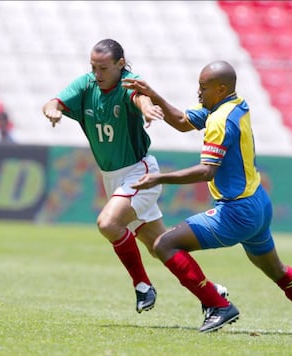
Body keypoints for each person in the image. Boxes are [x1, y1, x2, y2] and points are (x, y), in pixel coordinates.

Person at [122, 60, 292, 334]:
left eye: (204, 87)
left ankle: (218, 306)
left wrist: (160, 178)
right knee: (277, 270)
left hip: (237, 211)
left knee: (164, 245)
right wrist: (153, 94)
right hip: (258, 204)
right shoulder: (236, 105)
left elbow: (206, 171)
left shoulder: (219, 120)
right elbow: (181, 122)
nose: (198, 92)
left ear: (221, 88)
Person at [42, 38, 168, 313]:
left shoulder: (128, 82)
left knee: (108, 224)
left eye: (103, 68)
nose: (97, 74)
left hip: (138, 172)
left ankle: (142, 286)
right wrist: (52, 109)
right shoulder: (87, 85)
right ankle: (213, 293)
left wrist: (147, 109)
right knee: (162, 246)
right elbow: (55, 101)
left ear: (120, 65)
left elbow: (140, 97)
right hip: (112, 179)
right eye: (93, 67)